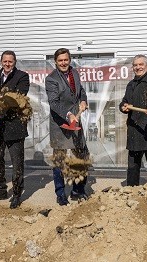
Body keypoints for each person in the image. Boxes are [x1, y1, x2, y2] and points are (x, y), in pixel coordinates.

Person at [0, 50, 30, 209]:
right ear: (1, 61)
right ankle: (1, 190)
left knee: (17, 162)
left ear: (15, 62)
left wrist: (0, 97)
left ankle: (17, 194)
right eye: (5, 61)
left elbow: (19, 97)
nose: (7, 64)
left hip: (15, 125)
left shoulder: (22, 76)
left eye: (10, 61)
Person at [45, 48, 90, 206]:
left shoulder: (75, 73)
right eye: (60, 60)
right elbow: (54, 103)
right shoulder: (51, 79)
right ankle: (60, 193)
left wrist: (83, 100)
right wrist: (68, 114)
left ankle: (78, 190)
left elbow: (81, 91)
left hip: (76, 123)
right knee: (59, 160)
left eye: (66, 60)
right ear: (55, 62)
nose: (63, 63)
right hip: (61, 124)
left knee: (81, 156)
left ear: (69, 60)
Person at [119, 54, 147, 186]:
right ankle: (131, 189)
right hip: (134, 129)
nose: (138, 67)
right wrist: (123, 107)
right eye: (135, 65)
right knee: (133, 164)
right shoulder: (131, 84)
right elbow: (125, 101)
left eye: (141, 64)